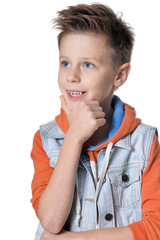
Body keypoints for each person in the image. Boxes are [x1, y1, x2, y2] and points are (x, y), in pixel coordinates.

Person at [30, 3, 160, 240]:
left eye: (87, 65)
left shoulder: (145, 142)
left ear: (119, 75)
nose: (72, 76)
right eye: (65, 63)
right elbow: (50, 220)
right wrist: (74, 137)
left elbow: (156, 229)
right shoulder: (46, 140)